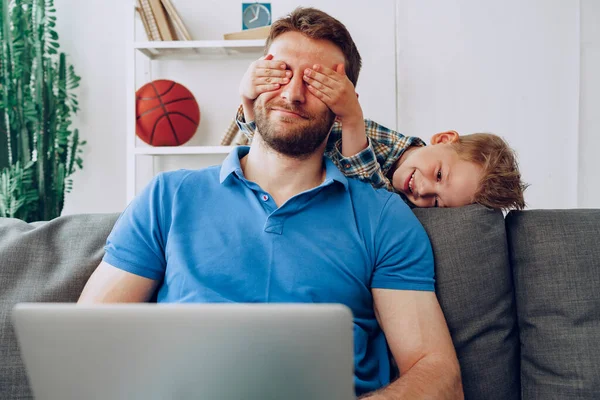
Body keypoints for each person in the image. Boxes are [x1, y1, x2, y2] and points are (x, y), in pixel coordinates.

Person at [79, 7, 463, 399]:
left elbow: (439, 376)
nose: (293, 94)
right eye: (280, 73)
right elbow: (87, 341)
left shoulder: (384, 217)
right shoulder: (168, 198)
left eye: (316, 82)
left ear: (342, 104)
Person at [236, 58, 527, 210]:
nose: (424, 191)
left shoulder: (397, 202)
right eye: (439, 175)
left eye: (438, 202)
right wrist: (249, 101)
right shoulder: (382, 140)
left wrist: (352, 118)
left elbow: (368, 191)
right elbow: (272, 143)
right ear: (443, 139)